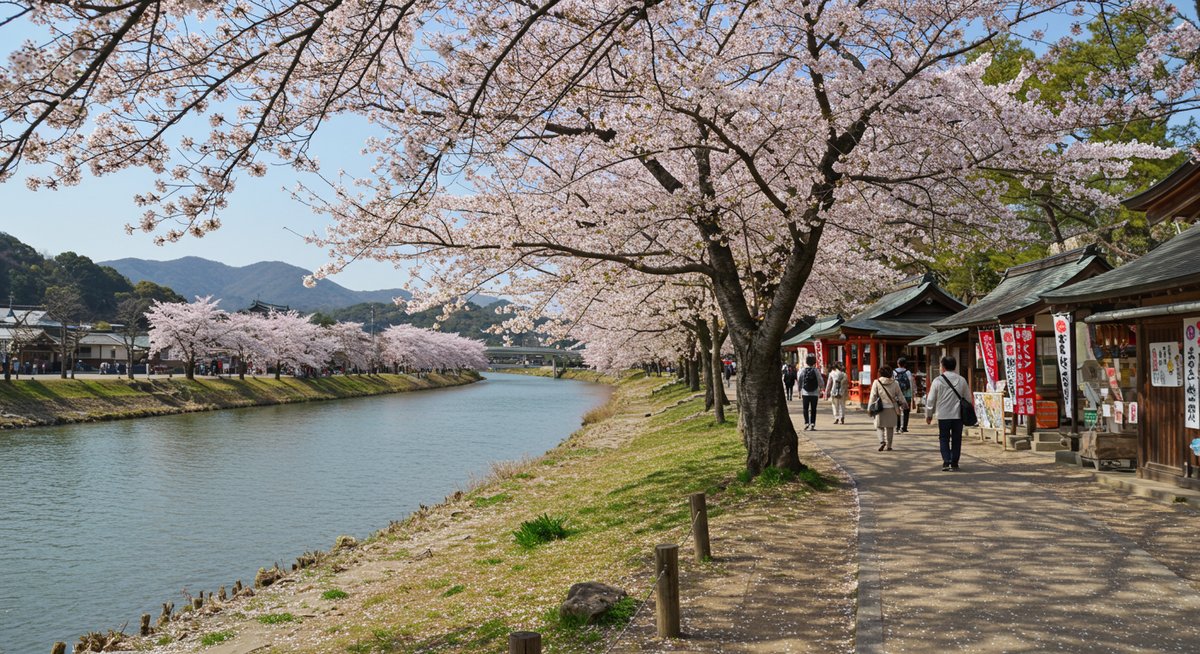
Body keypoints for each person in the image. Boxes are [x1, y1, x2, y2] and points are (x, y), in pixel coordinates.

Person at [925, 355, 970, 471]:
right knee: (957, 438)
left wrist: (928, 414)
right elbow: (968, 399)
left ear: (943, 366)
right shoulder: (962, 380)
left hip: (943, 415)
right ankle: (954, 462)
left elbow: (930, 400)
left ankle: (946, 461)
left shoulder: (937, 380)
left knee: (944, 438)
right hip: (958, 415)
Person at [869, 365, 904, 451]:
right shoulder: (895, 383)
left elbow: (873, 396)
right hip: (892, 407)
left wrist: (870, 407)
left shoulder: (876, 382)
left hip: (880, 408)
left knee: (879, 426)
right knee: (890, 427)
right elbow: (900, 395)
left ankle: (882, 441)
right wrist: (904, 404)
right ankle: (889, 446)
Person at [798, 355, 824, 430]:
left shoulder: (803, 370)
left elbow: (800, 380)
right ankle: (812, 424)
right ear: (814, 362)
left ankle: (806, 423)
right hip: (815, 392)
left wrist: (799, 390)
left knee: (805, 408)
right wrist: (822, 388)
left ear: (806, 362)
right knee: (813, 409)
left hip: (805, 392)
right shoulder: (816, 371)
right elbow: (820, 380)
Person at [894, 357, 914, 432]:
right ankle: (904, 427)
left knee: (897, 410)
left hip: (897, 394)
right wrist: (912, 394)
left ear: (898, 364)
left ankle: (897, 427)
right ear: (905, 364)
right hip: (907, 394)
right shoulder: (908, 372)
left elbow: (893, 383)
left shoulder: (894, 372)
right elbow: (911, 384)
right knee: (906, 411)